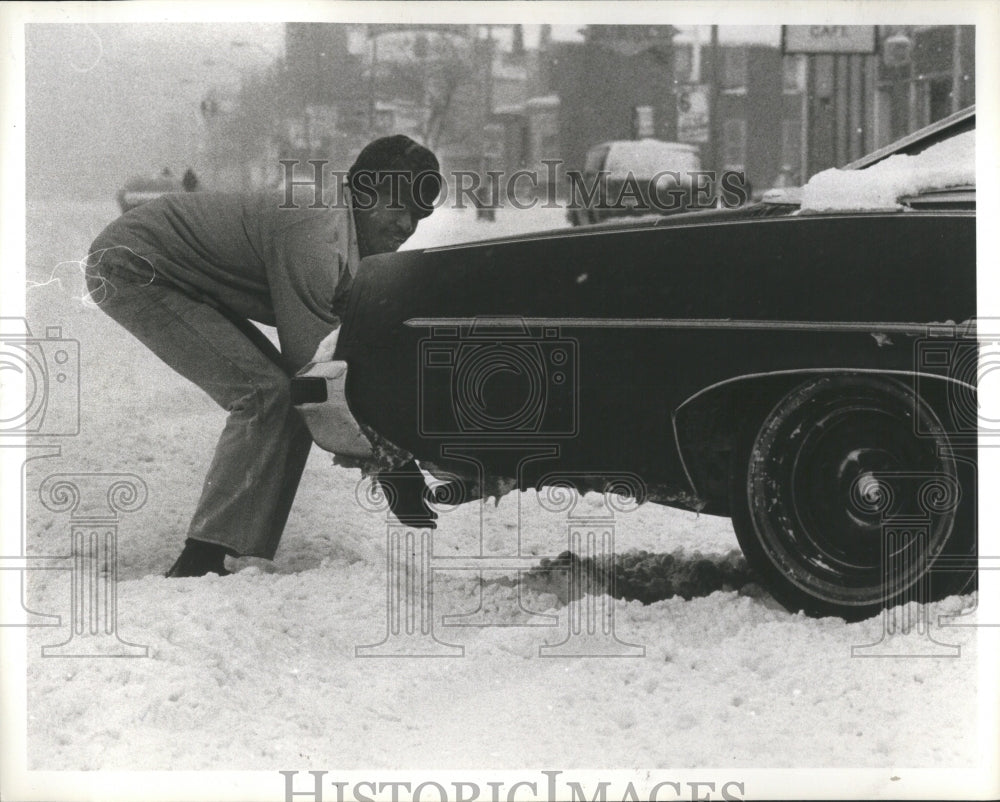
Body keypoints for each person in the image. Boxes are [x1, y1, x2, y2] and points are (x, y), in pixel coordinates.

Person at [85, 135, 442, 577]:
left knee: (282, 397)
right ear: (362, 194)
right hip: (134, 265)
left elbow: (359, 348)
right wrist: (391, 462)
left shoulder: (346, 239)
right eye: (398, 207)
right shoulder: (316, 230)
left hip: (183, 273)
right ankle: (204, 557)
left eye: (420, 214)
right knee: (267, 393)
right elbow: (319, 372)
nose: (407, 225)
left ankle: (239, 552)